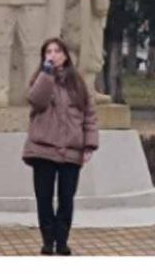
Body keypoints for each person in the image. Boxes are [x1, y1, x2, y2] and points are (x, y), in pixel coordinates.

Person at [22, 37, 98, 256]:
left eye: (57, 51)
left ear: (65, 55)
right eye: (48, 51)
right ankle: (48, 241)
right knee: (44, 199)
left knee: (66, 200)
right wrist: (46, 74)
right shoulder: (39, 78)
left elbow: (90, 116)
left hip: (71, 152)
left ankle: (62, 241)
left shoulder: (78, 83)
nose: (53, 55)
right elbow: (36, 101)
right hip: (43, 150)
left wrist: (89, 145)